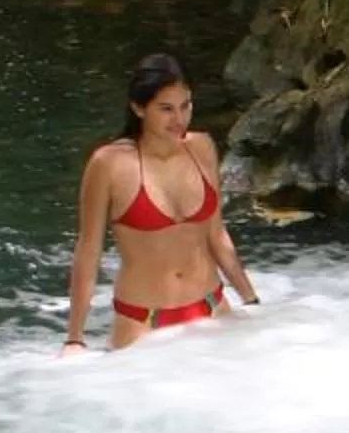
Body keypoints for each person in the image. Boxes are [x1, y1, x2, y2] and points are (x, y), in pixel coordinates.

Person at [65, 53, 259, 352]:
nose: (179, 119)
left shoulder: (202, 147)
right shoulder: (109, 164)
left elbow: (217, 235)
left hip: (213, 309)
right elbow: (89, 250)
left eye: (186, 106)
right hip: (144, 324)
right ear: (138, 107)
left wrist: (251, 302)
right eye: (166, 109)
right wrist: (75, 339)